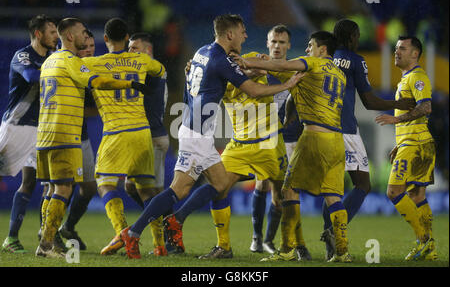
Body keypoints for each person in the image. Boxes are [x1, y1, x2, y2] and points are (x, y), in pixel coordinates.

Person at [119, 14, 303, 259]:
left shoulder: (201, 52)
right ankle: (137, 232)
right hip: (198, 137)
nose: (245, 35)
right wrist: (286, 85)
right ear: (230, 35)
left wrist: (252, 66)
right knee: (179, 191)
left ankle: (189, 229)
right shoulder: (219, 60)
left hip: (193, 130)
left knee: (218, 186)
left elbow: (194, 86)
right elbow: (254, 89)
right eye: (242, 31)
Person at [35, 17, 151, 258]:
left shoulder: (49, 61)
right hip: (64, 132)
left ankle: (47, 239)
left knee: (52, 189)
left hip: (44, 133)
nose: (86, 37)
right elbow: (97, 81)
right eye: (82, 33)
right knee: (64, 189)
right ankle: (46, 245)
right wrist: (129, 82)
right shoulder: (70, 60)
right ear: (69, 36)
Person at [235, 31, 352, 262]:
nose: (307, 49)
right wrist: (288, 115)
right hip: (337, 141)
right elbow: (294, 96)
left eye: (310, 45)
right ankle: (342, 252)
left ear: (322, 49)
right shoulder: (339, 73)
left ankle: (288, 249)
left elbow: (281, 65)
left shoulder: (312, 64)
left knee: (287, 190)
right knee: (333, 197)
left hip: (313, 137)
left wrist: (245, 61)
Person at [319, 19, 416, 260]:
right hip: (346, 131)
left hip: (321, 131)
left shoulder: (324, 59)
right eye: (358, 35)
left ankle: (328, 234)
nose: (359, 39)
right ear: (352, 37)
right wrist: (398, 104)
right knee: (363, 185)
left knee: (332, 189)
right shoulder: (355, 60)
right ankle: (332, 230)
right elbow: (369, 101)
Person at [81, 18, 167, 256]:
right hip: (142, 131)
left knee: (105, 183)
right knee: (147, 191)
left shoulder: (93, 63)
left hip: (116, 132)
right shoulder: (141, 60)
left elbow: (74, 70)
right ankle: (160, 246)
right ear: (128, 38)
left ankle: (122, 232)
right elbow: (159, 71)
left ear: (105, 38)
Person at [375, 36, 436, 261]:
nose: (396, 51)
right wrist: (399, 144)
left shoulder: (417, 77)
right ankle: (430, 248)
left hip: (416, 143)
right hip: (415, 143)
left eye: (402, 48)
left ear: (415, 54)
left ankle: (424, 241)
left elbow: (426, 106)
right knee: (417, 195)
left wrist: (396, 121)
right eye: (396, 48)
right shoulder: (406, 79)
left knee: (393, 192)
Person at [1, 14, 58, 254]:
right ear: (38, 34)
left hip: (39, 130)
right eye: (52, 32)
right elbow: (31, 76)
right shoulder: (23, 56)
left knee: (32, 181)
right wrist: (58, 71)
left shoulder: (54, 58)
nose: (56, 37)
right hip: (16, 127)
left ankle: (13, 239)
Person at [248, 25, 306, 257]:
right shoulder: (259, 68)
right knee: (261, 183)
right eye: (274, 42)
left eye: (282, 42)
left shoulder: (295, 71)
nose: (277, 46)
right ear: (267, 42)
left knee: (281, 194)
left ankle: (269, 240)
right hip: (264, 136)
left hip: (290, 138)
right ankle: (257, 237)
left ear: (289, 45)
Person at [125, 32, 171, 256]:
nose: (130, 52)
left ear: (148, 51)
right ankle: (167, 232)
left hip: (153, 137)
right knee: (134, 188)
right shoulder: (150, 70)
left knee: (153, 192)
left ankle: (165, 240)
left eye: (135, 48)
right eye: (129, 48)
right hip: (146, 137)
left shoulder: (152, 70)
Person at [57, 30, 98, 250]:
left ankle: (68, 227)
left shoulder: (91, 71)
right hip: (62, 136)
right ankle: (49, 232)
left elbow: (91, 108)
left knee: (89, 187)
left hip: (81, 137)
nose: (89, 50)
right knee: (62, 186)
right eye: (85, 47)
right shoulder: (68, 68)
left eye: (92, 46)